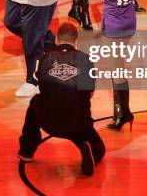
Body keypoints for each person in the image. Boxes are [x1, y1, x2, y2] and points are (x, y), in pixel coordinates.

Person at [17, 22, 105, 176]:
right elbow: (89, 94)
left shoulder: (44, 59)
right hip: (77, 123)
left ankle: (27, 151)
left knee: (34, 104)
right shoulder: (86, 60)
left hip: (49, 122)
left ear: (57, 39)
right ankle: (86, 146)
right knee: (99, 149)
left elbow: (39, 89)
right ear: (75, 40)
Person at [98, 0, 141, 131]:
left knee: (118, 71)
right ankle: (122, 112)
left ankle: (123, 114)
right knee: (120, 68)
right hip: (129, 23)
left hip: (114, 26)